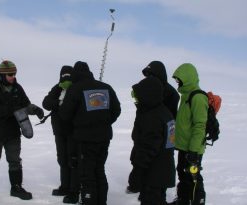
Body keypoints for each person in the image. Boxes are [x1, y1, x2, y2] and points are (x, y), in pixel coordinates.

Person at [0, 60, 44, 204]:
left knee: (15, 161)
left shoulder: (17, 88)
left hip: (12, 132)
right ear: (2, 74)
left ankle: (16, 188)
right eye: (10, 74)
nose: (13, 76)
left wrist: (36, 110)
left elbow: (25, 105)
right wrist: (12, 108)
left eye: (15, 74)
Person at [59, 61, 121, 205]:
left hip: (85, 139)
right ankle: (101, 201)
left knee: (87, 174)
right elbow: (116, 110)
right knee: (99, 170)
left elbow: (65, 114)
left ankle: (89, 201)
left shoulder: (75, 89)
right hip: (104, 137)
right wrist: (104, 122)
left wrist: (79, 122)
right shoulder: (106, 87)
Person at [127, 61, 179, 203]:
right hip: (161, 165)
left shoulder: (155, 114)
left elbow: (149, 145)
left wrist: (137, 171)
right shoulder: (160, 111)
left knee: (152, 197)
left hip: (155, 169)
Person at [169, 63, 208, 205]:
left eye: (179, 79)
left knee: (193, 175)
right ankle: (183, 199)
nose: (177, 82)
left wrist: (193, 150)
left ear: (188, 78)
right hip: (183, 145)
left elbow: (200, 125)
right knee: (182, 173)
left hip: (193, 147)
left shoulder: (198, 97)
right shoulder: (186, 96)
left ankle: (198, 201)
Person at [42, 65, 80, 204]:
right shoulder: (57, 88)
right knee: (62, 159)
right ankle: (64, 187)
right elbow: (46, 102)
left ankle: (74, 190)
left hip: (73, 132)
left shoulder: (77, 88)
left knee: (73, 160)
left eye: (68, 76)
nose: (66, 79)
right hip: (59, 131)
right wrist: (59, 102)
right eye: (63, 76)